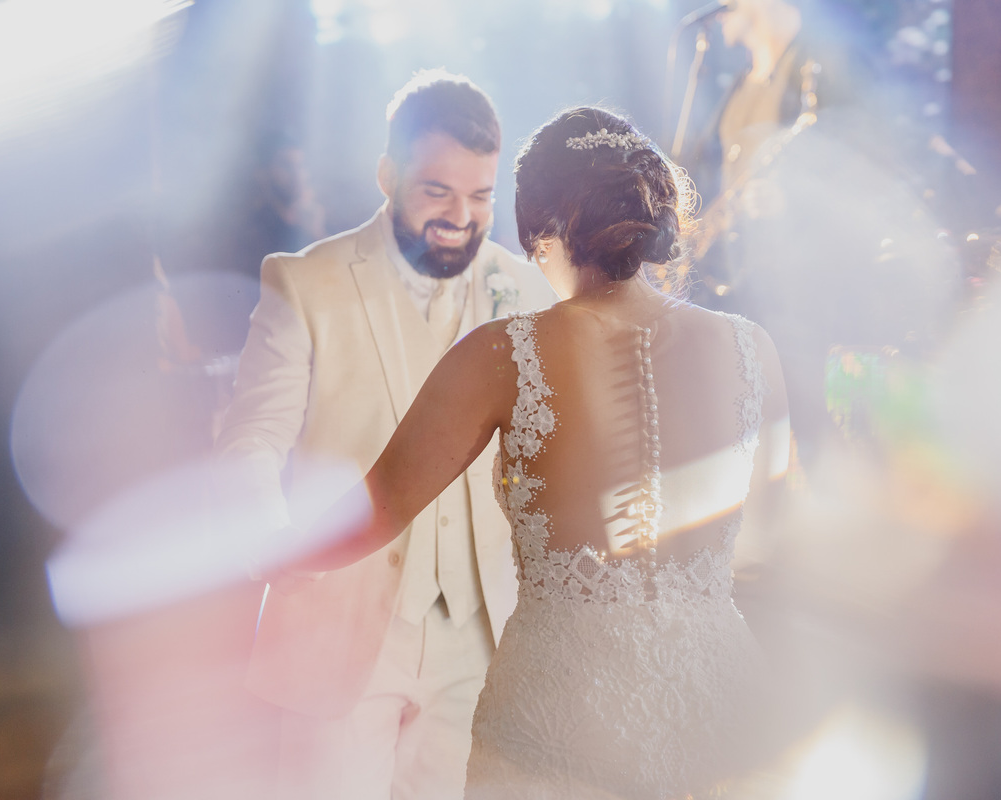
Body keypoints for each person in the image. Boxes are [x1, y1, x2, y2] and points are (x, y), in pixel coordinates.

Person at [275, 107, 791, 799]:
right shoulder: (750, 348)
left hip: (562, 719)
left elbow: (373, 511)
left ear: (540, 228)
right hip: (723, 705)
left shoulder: (502, 354)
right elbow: (779, 542)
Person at [216, 70, 554, 800]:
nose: (461, 217)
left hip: (482, 627)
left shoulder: (526, 291)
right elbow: (251, 437)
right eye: (438, 191)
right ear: (387, 174)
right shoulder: (304, 282)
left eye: (481, 196)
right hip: (337, 616)